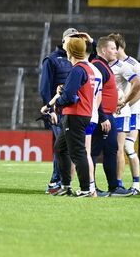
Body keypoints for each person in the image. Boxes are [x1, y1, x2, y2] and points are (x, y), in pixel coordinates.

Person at [41, 37, 99, 198]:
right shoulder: (87, 68)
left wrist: (54, 104)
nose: (65, 50)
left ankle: (86, 189)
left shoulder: (77, 69)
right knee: (61, 149)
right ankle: (66, 185)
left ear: (71, 51)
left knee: (77, 152)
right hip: (80, 114)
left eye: (67, 48)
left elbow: (68, 96)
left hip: (76, 114)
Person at [88, 36, 133, 196]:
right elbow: (94, 94)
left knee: (110, 150)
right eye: (113, 48)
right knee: (93, 151)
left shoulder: (102, 65)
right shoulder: (98, 66)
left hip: (108, 114)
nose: (116, 51)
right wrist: (102, 117)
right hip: (103, 116)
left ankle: (114, 187)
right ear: (104, 50)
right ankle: (91, 187)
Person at [39, 27, 76, 192]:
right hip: (58, 111)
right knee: (63, 146)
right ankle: (56, 182)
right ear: (64, 41)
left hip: (74, 110)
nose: (75, 41)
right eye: (72, 38)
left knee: (64, 146)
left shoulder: (78, 58)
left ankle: (60, 182)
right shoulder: (52, 59)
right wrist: (50, 110)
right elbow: (44, 88)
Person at [109, 33, 140, 195]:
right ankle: (120, 184)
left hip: (132, 111)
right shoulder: (113, 64)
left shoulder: (134, 64)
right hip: (120, 110)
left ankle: (135, 184)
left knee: (127, 146)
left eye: (112, 46)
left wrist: (124, 104)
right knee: (120, 147)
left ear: (118, 47)